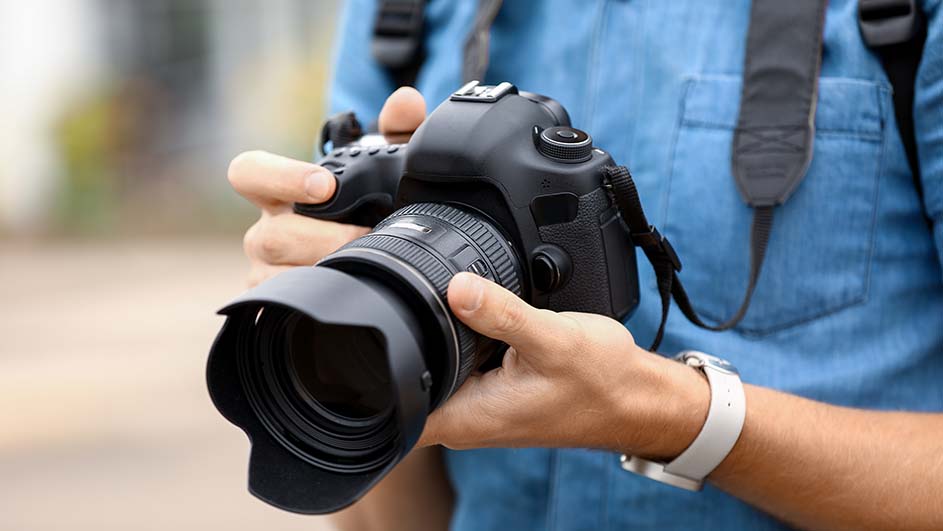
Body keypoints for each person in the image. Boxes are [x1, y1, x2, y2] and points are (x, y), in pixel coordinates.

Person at [225, 1, 943, 529]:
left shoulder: (901, 20)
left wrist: (673, 416)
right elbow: (383, 512)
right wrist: (358, 327)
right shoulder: (402, 14)